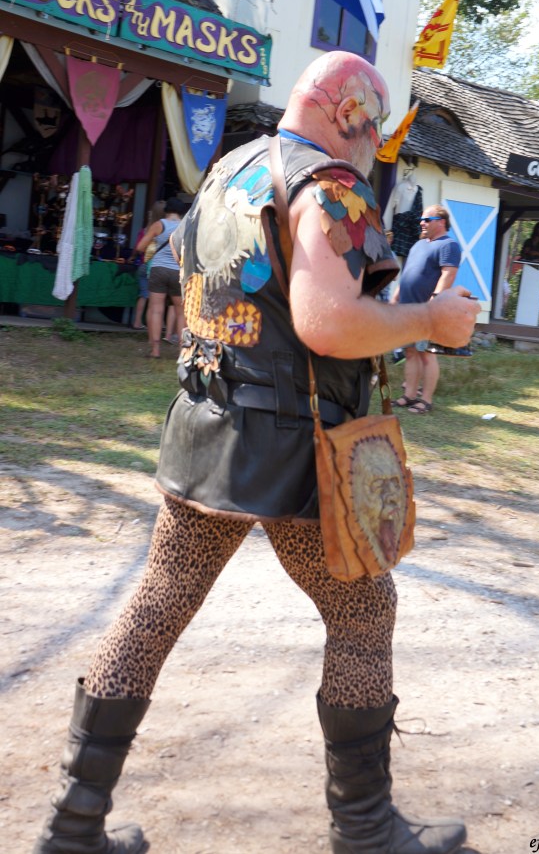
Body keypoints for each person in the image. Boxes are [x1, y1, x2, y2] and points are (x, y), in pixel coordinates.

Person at [33, 52, 479, 854]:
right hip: (295, 447)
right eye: (373, 129)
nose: (374, 146)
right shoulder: (332, 187)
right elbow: (327, 321)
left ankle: (72, 824)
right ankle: (367, 830)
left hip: (205, 424)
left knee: (156, 605)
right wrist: (430, 321)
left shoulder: (230, 168)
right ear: (351, 115)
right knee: (363, 610)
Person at [391, 205, 462, 415]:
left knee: (427, 355)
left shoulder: (449, 245)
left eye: (426, 219)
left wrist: (434, 302)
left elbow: (448, 275)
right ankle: (409, 395)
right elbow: (407, 275)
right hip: (407, 308)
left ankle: (426, 400)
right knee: (411, 352)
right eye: (421, 219)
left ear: (441, 222)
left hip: (427, 310)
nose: (421, 222)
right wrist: (395, 299)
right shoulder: (418, 245)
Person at [135, 197, 186, 358]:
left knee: (156, 309)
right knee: (180, 312)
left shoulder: (159, 225)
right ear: (181, 212)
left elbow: (140, 247)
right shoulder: (187, 227)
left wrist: (155, 244)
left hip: (158, 270)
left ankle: (155, 350)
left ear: (167, 210)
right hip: (178, 271)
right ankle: (183, 352)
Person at [129, 199, 165, 330]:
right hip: (155, 267)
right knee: (155, 298)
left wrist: (132, 257)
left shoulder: (145, 230)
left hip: (143, 265)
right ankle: (153, 324)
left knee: (143, 295)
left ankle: (137, 321)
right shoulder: (164, 231)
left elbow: (138, 247)